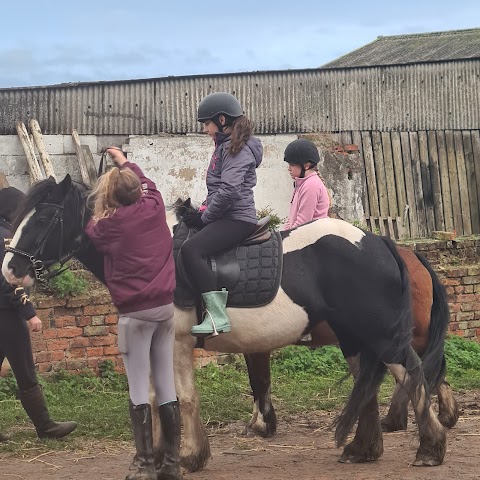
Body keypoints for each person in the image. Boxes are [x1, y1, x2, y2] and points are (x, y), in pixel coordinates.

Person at [85, 148, 181, 480]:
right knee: (167, 388)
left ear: (111, 197)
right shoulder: (154, 208)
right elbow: (149, 183)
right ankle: (171, 464)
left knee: (139, 388)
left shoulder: (107, 227)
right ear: (138, 192)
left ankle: (144, 466)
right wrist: (124, 162)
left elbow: (89, 232)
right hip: (165, 311)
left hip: (134, 316)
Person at [181, 92, 263, 338]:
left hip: (237, 218)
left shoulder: (235, 149)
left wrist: (205, 218)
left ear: (222, 120)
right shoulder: (225, 147)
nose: (205, 130)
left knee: (191, 250)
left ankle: (217, 317)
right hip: (228, 214)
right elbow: (218, 189)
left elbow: (229, 191)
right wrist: (202, 209)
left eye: (207, 124)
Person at [0, 187, 77, 442]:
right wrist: (29, 313)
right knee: (25, 373)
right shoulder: (7, 239)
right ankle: (45, 427)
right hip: (7, 314)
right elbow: (10, 283)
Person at [282, 138, 330, 230]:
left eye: (292, 165)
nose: (289, 169)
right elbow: (292, 219)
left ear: (306, 165)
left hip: (312, 239)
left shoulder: (311, 185)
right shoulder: (301, 183)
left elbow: (303, 223)